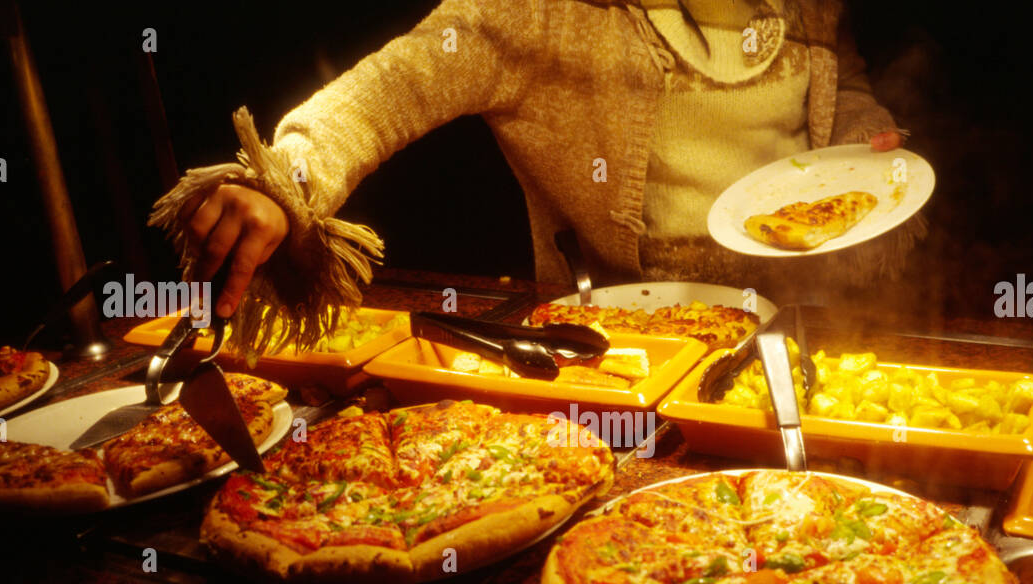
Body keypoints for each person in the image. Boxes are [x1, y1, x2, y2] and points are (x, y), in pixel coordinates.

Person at [152, 0, 918, 353]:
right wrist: (284, 182)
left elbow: (842, 88)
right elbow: (385, 92)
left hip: (801, 330)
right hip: (617, 353)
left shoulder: (811, 7)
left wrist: (860, 142)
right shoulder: (535, 13)